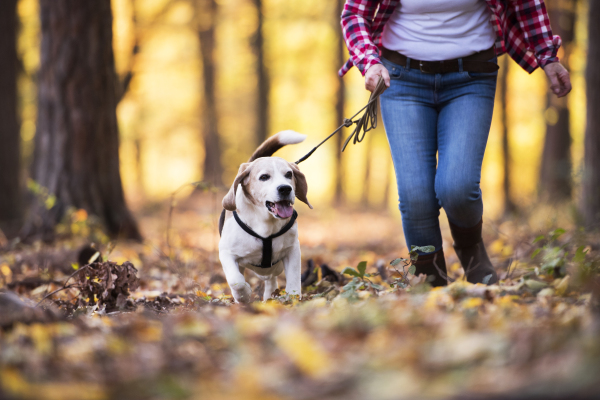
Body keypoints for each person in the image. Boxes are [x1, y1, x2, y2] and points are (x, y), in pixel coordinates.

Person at [339, 0, 571, 286]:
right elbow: (355, 13)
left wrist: (547, 57)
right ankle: (429, 280)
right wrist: (370, 62)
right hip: (401, 79)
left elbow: (525, 5)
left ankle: (471, 250)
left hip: (472, 77)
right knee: (415, 197)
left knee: (458, 187)